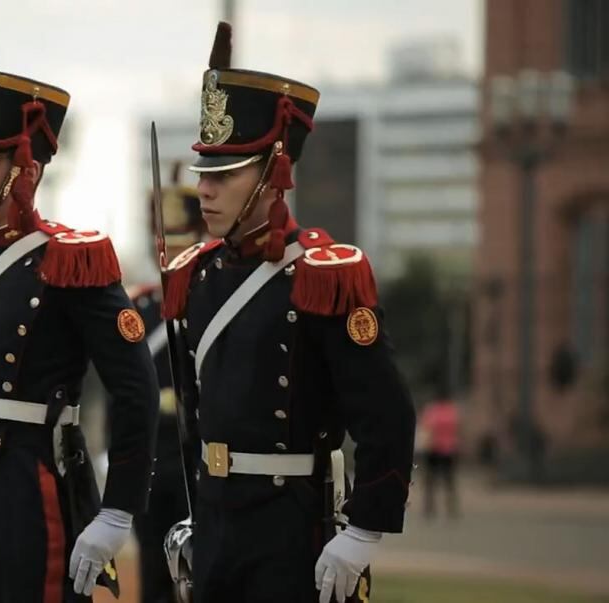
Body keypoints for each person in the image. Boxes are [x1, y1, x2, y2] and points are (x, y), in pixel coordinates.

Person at [161, 22, 416, 603]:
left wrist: (363, 529)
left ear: (273, 174)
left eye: (224, 175)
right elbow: (196, 418)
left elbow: (387, 415)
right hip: (215, 524)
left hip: (291, 527)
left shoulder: (324, 276)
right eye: (205, 173)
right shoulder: (196, 277)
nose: (206, 189)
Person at [0, 29, 159, 602]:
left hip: (29, 483)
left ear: (21, 169)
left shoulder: (69, 261)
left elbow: (135, 389)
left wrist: (117, 511)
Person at [127, 163, 204, 603]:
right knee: (155, 574)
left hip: (199, 451)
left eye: (180, 242)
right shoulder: (140, 305)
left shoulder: (211, 298)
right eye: (165, 243)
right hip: (153, 456)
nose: (172, 255)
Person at [421, 395, 460, 519]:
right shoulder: (452, 411)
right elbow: (457, 428)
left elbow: (427, 428)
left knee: (430, 481)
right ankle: (451, 508)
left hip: (433, 448)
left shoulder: (431, 411)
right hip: (449, 449)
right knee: (449, 481)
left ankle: (429, 508)